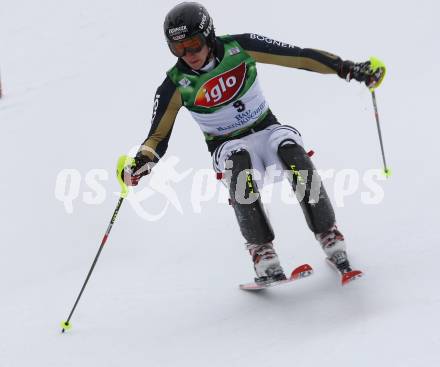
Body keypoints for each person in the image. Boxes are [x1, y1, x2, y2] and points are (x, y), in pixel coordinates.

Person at [122, 2, 385, 284]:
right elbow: (157, 136)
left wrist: (346, 68)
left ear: (209, 36)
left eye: (194, 45)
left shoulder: (240, 47)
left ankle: (329, 234)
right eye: (179, 49)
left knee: (289, 148)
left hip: (265, 129)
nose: (189, 55)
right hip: (226, 145)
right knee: (239, 161)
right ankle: (262, 252)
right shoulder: (175, 83)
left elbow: (298, 57)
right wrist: (141, 162)